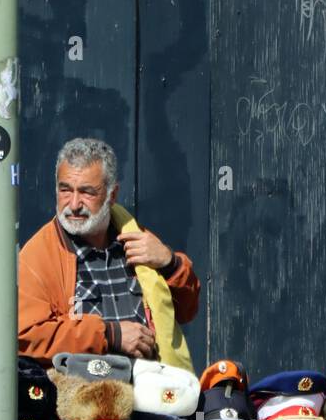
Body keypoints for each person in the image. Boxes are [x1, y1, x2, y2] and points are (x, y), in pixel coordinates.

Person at [18, 136, 200, 363]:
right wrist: (110, 335)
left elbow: (187, 310)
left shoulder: (134, 237)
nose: (74, 204)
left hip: (153, 388)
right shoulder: (39, 254)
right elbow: (26, 335)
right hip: (82, 393)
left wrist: (170, 263)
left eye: (87, 192)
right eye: (66, 190)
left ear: (112, 195)